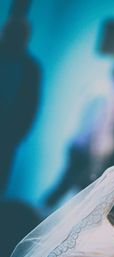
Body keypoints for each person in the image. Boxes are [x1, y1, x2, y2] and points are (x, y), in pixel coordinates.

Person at [44, 61, 114, 207]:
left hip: (86, 149)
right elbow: (95, 126)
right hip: (86, 151)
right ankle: (41, 211)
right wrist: (94, 156)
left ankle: (46, 209)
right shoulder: (104, 94)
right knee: (74, 188)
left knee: (72, 187)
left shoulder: (108, 91)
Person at [0, 14, 41, 196]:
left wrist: (18, 134)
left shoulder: (31, 69)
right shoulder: (30, 68)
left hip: (8, 134)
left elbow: (31, 106)